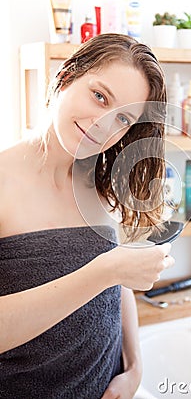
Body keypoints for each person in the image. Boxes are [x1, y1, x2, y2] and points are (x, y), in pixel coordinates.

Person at [0, 33, 175, 398]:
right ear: (65, 77)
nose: (103, 126)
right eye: (99, 96)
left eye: (122, 118)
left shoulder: (94, 181)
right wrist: (103, 272)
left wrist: (134, 365)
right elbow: (109, 270)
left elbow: (118, 277)